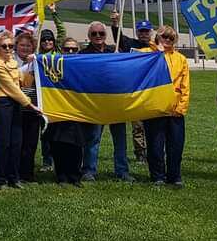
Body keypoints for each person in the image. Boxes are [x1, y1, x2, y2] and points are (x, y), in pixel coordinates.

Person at [79, 21, 133, 183]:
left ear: (106, 35)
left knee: (120, 139)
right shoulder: (82, 55)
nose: (98, 36)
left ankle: (122, 171)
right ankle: (89, 170)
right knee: (93, 139)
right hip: (95, 104)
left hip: (116, 102)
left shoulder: (115, 51)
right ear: (89, 36)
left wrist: (120, 58)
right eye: (94, 34)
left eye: (101, 33)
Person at [136, 26, 189, 187]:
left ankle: (174, 175)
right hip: (154, 108)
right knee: (155, 145)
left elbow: (185, 86)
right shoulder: (145, 53)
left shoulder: (181, 59)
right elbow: (138, 72)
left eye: (171, 38)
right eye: (164, 37)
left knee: (176, 145)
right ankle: (157, 175)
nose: (167, 40)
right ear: (158, 37)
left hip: (174, 109)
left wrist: (181, 108)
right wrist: (157, 54)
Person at [0, 32, 42, 189]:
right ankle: (1, 179)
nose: (8, 49)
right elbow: (11, 87)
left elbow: (23, 81)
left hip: (16, 104)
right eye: (4, 46)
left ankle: (14, 177)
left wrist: (35, 63)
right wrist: (29, 104)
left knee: (16, 142)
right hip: (2, 102)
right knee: (4, 142)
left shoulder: (13, 62)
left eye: (10, 46)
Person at [42, 37, 87, 186]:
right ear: (61, 50)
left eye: (74, 49)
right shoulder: (53, 64)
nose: (71, 51)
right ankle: (61, 176)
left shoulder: (83, 66)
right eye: (67, 49)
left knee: (76, 144)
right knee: (58, 142)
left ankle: (75, 176)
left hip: (77, 110)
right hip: (58, 108)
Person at [111, 11, 151, 164]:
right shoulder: (131, 45)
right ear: (137, 32)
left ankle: (153, 151)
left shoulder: (156, 47)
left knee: (152, 125)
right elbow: (118, 38)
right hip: (134, 90)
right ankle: (140, 153)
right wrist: (115, 24)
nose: (143, 34)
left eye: (146, 31)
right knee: (138, 125)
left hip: (150, 90)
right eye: (141, 31)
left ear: (150, 32)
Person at [16, 31, 43, 183]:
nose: (25, 48)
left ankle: (28, 173)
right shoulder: (12, 61)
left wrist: (36, 60)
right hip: (17, 108)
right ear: (16, 46)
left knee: (31, 143)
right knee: (17, 142)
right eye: (22, 45)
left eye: (28, 45)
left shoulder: (37, 62)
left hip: (34, 109)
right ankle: (15, 171)